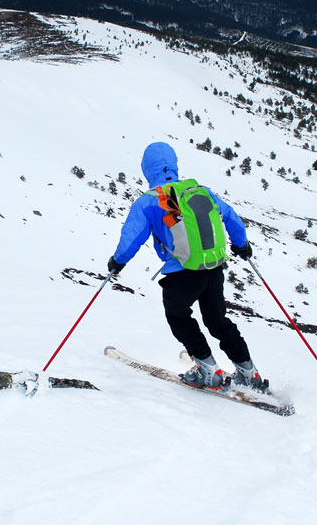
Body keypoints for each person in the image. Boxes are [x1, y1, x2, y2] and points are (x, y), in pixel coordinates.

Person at [107, 141, 264, 390]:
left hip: (181, 274)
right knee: (217, 320)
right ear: (175, 165)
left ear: (147, 169)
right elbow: (231, 216)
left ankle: (207, 369)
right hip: (212, 268)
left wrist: (118, 262)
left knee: (178, 316)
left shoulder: (149, 201)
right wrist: (242, 245)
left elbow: (132, 238)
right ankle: (248, 371)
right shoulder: (199, 190)